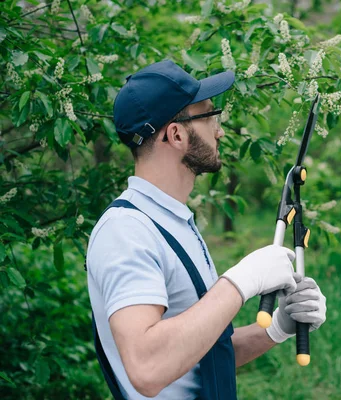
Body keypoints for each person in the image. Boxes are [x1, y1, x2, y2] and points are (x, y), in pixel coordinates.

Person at [86, 60, 327, 399]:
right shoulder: (126, 231)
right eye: (210, 116)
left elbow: (201, 354)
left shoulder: (175, 222)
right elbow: (147, 367)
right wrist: (240, 282)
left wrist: (278, 327)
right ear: (177, 134)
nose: (219, 130)